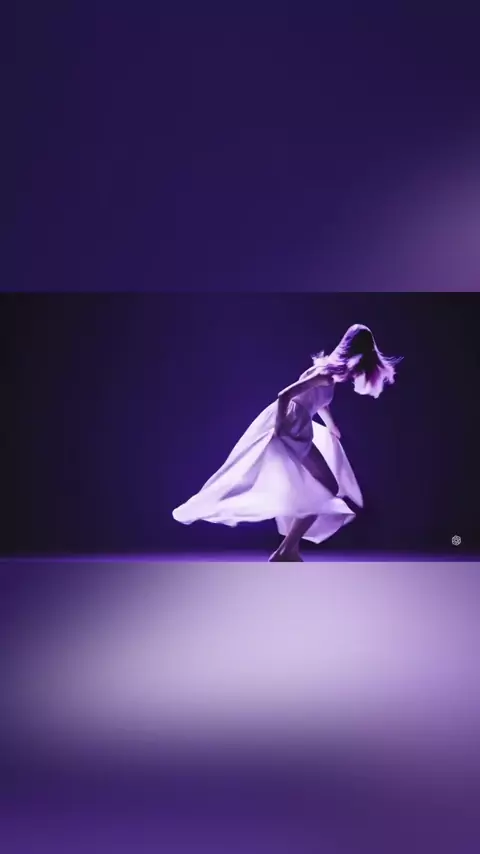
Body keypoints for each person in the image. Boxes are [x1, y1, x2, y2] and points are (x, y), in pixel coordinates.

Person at [172, 324, 402, 561]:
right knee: (328, 488)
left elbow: (320, 402)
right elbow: (285, 395)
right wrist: (280, 427)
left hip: (298, 426)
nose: (357, 373)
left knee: (321, 487)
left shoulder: (327, 373)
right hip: (293, 427)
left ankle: (288, 549)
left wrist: (331, 425)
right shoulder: (323, 375)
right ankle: (287, 549)